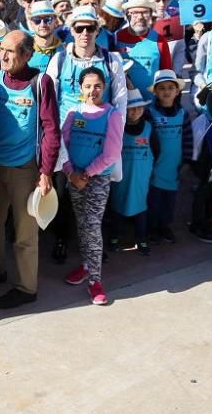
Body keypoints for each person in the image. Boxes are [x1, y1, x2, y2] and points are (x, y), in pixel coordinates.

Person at [0, 31, 60, 310]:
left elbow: (51, 128)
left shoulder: (40, 82)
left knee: (24, 233)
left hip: (25, 169)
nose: (4, 55)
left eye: (11, 51)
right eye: (1, 49)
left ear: (27, 55)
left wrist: (46, 171)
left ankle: (27, 287)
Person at [61, 69, 124, 305]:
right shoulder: (73, 113)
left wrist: (86, 173)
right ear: (80, 88)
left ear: (104, 87)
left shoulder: (112, 115)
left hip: (96, 178)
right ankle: (87, 265)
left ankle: (95, 281)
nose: (92, 91)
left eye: (97, 86)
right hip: (74, 177)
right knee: (81, 222)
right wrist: (70, 172)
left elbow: (111, 153)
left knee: (92, 224)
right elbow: (63, 144)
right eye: (87, 86)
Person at [109, 89, 158, 255]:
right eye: (131, 108)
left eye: (139, 107)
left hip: (141, 178)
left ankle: (141, 239)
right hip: (120, 178)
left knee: (141, 209)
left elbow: (157, 151)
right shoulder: (117, 128)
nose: (135, 111)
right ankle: (114, 237)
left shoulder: (150, 128)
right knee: (117, 208)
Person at [147, 70, 192, 245]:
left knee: (169, 201)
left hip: (174, 167)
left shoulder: (183, 114)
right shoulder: (150, 113)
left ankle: (165, 227)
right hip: (155, 167)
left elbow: (188, 140)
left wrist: (186, 163)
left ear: (177, 91)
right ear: (156, 92)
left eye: (170, 88)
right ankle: (152, 229)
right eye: (162, 88)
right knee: (153, 200)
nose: (166, 91)